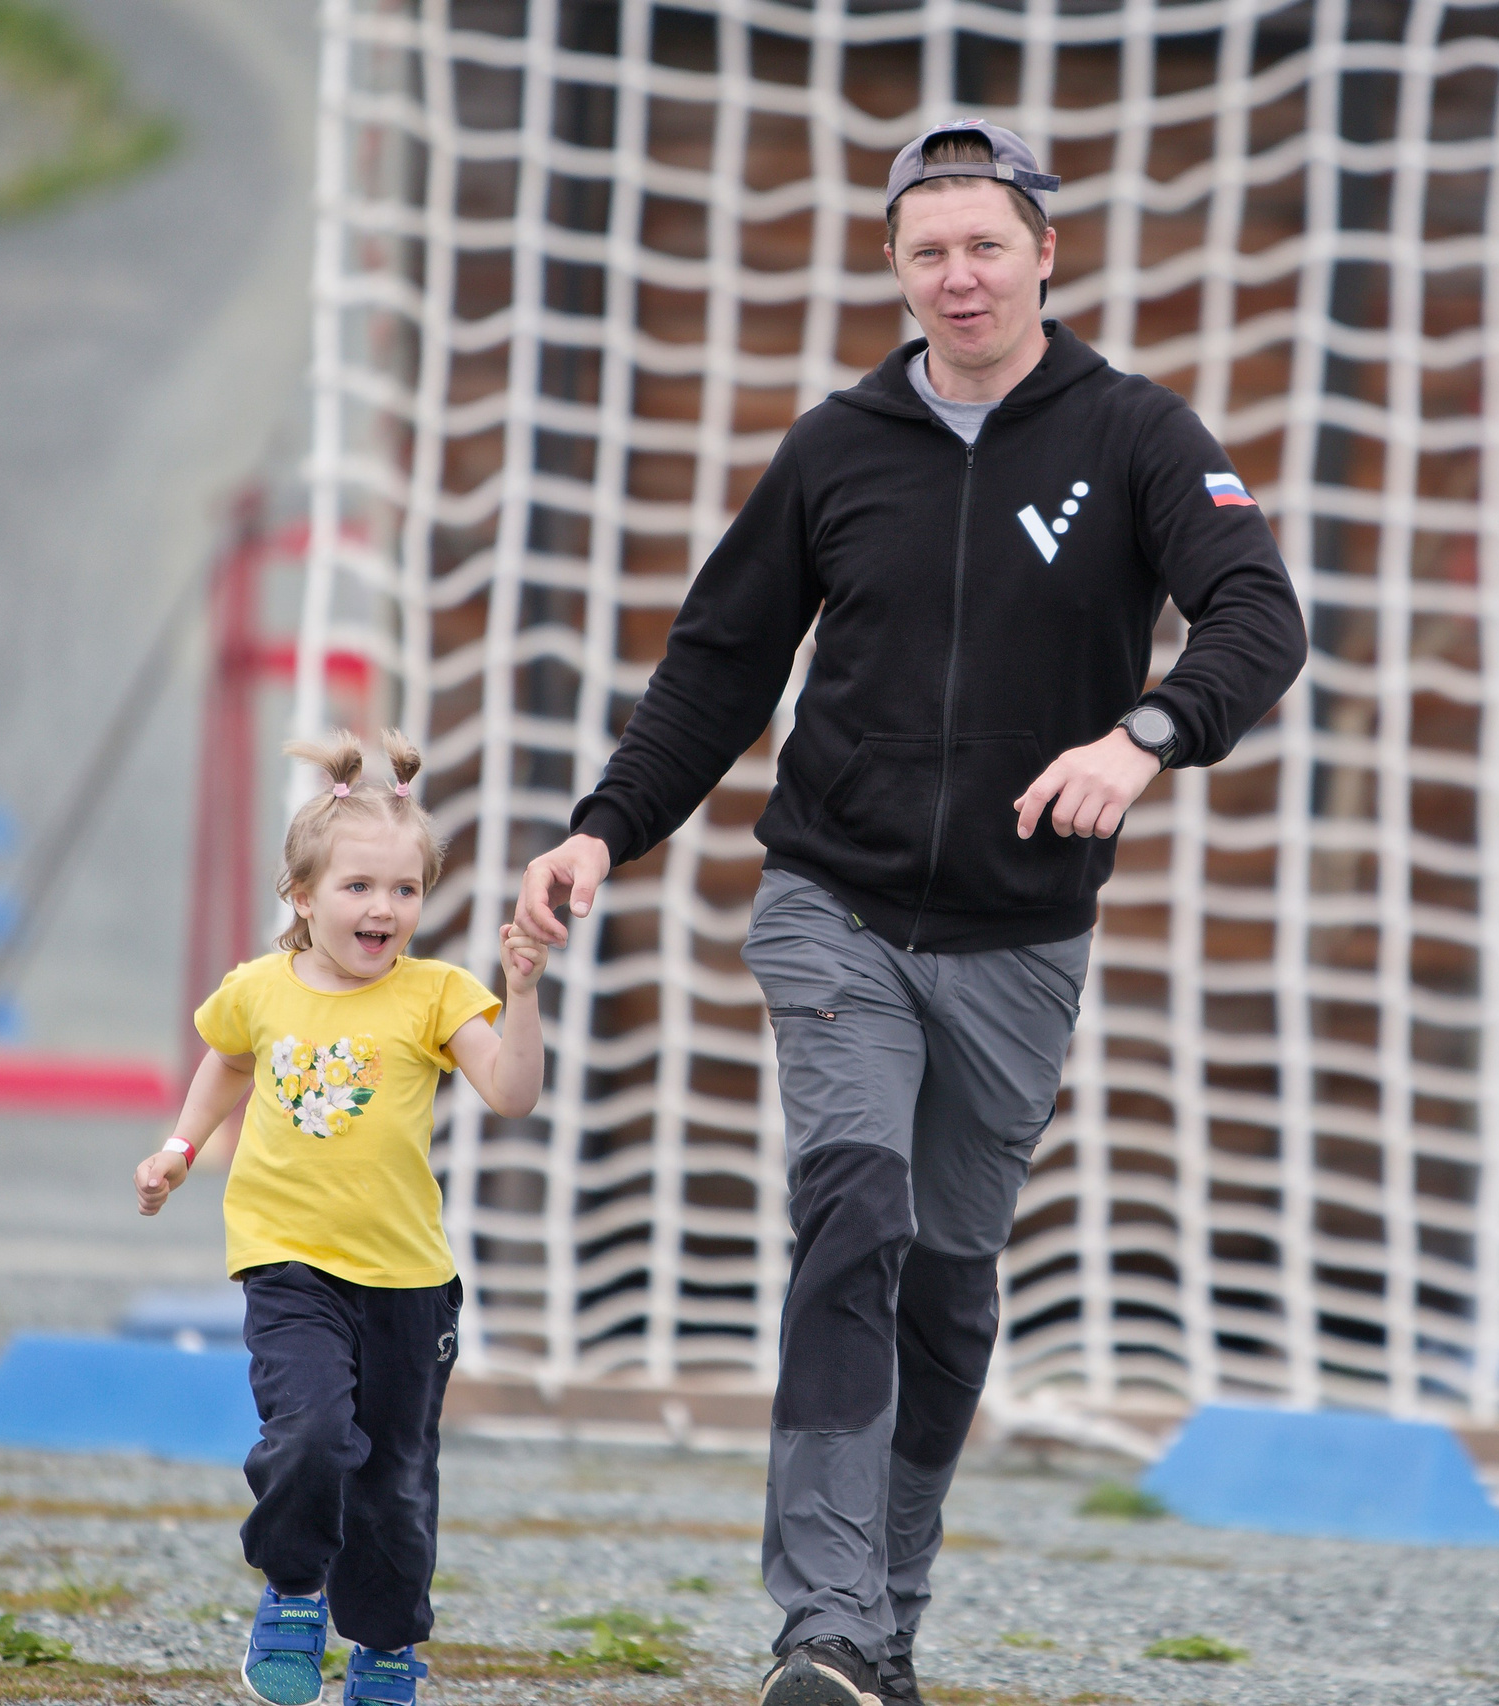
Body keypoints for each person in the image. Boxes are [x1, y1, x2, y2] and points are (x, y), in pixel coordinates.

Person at [513, 119, 1308, 1706]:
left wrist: (1144, 734)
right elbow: (721, 663)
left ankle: (884, 1616)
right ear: (894, 266)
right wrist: (607, 828)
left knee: (948, 1276)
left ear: (1044, 255)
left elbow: (1259, 616)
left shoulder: (1138, 435)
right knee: (852, 1218)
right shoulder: (833, 448)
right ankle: (818, 1624)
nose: (959, 274)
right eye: (928, 249)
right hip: (836, 905)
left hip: (1022, 935)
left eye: (986, 245)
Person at [134, 728, 551, 1706]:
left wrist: (522, 995)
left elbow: (513, 1093)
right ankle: (290, 1587)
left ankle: (384, 1643)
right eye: (359, 887)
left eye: (403, 890)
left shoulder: (438, 993)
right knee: (311, 1436)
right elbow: (227, 1059)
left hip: (408, 1285)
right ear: (303, 896)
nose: (383, 909)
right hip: (289, 1267)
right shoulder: (258, 988)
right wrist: (181, 1149)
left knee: (395, 1487)